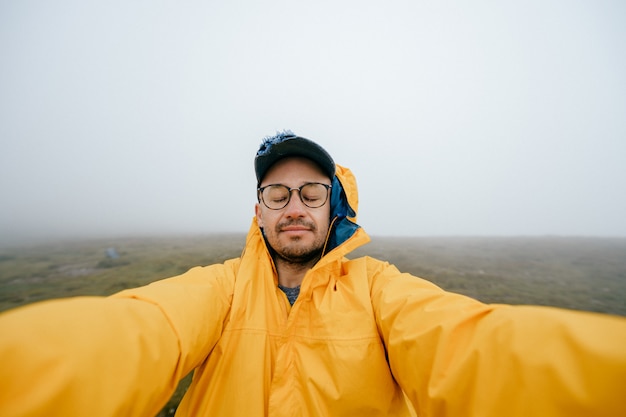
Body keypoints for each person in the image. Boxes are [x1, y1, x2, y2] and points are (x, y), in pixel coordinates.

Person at [1, 131, 625, 417]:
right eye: (277, 195)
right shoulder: (220, 288)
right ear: (258, 212)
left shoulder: (380, 288)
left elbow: (473, 347)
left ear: (335, 209)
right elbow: (140, 329)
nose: (293, 206)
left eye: (310, 193)